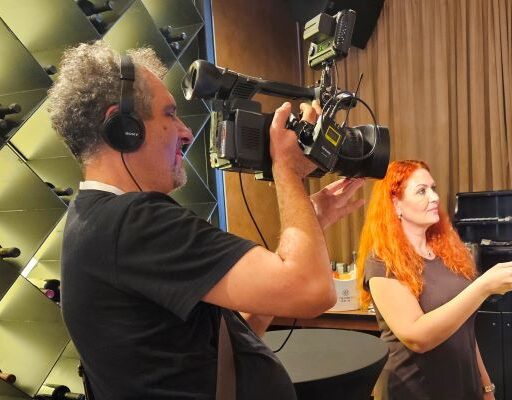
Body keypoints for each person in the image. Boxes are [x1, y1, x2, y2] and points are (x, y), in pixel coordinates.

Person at [49, 41, 365, 399]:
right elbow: (311, 292)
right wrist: (288, 170)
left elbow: (225, 344)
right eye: (169, 114)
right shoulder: (134, 222)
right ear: (124, 127)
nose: (185, 132)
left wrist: (311, 221)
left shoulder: (95, 220)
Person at [356, 160, 512, 400]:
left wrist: (486, 386)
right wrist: (482, 287)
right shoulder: (382, 261)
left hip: (463, 388)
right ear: (396, 204)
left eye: (433, 188)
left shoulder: (447, 254)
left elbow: (465, 330)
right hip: (413, 391)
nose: (435, 197)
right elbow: (417, 337)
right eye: (421, 191)